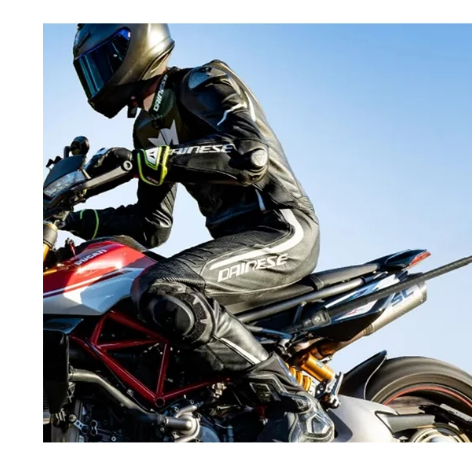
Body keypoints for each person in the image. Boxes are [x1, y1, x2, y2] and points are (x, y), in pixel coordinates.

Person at [63, 23, 334, 442]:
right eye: (91, 69)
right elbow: (151, 226)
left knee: (161, 286)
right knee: (125, 298)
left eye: (103, 61)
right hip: (230, 245)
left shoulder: (202, 82)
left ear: (137, 45)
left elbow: (249, 156)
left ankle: (295, 404)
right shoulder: (146, 128)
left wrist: (156, 160)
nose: (98, 75)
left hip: (281, 230)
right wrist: (73, 219)